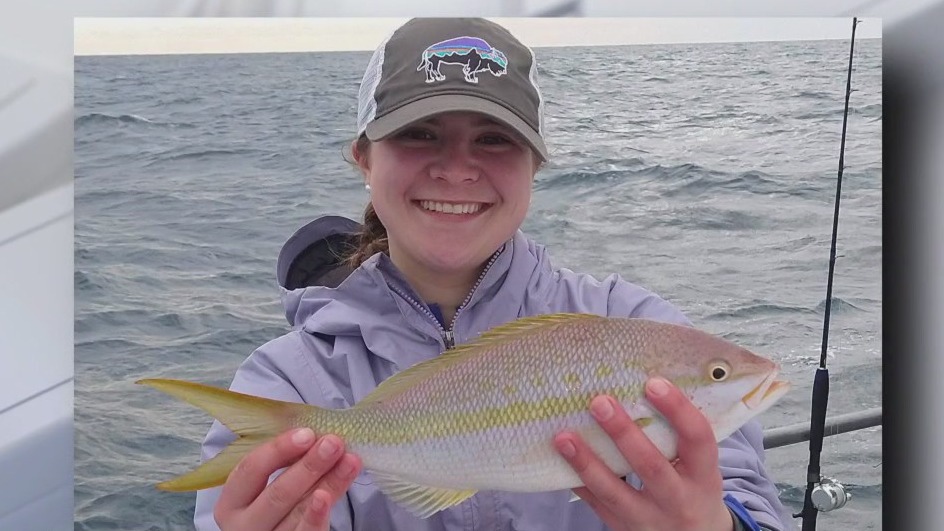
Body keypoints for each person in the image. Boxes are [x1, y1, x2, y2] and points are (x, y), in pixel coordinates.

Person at [194, 17, 791, 531]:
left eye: (494, 139)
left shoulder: (631, 320)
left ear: (536, 165)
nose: (457, 169)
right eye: (418, 134)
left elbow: (748, 496)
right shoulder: (287, 382)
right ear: (364, 158)